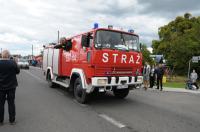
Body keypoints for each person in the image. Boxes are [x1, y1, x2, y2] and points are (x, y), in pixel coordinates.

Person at [0, 50, 20, 125]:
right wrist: (16, 63)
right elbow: (18, 72)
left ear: (2, 55)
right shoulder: (12, 63)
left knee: (1, 104)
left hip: (1, 87)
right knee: (11, 103)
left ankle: (0, 121)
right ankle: (12, 120)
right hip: (11, 86)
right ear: (8, 55)